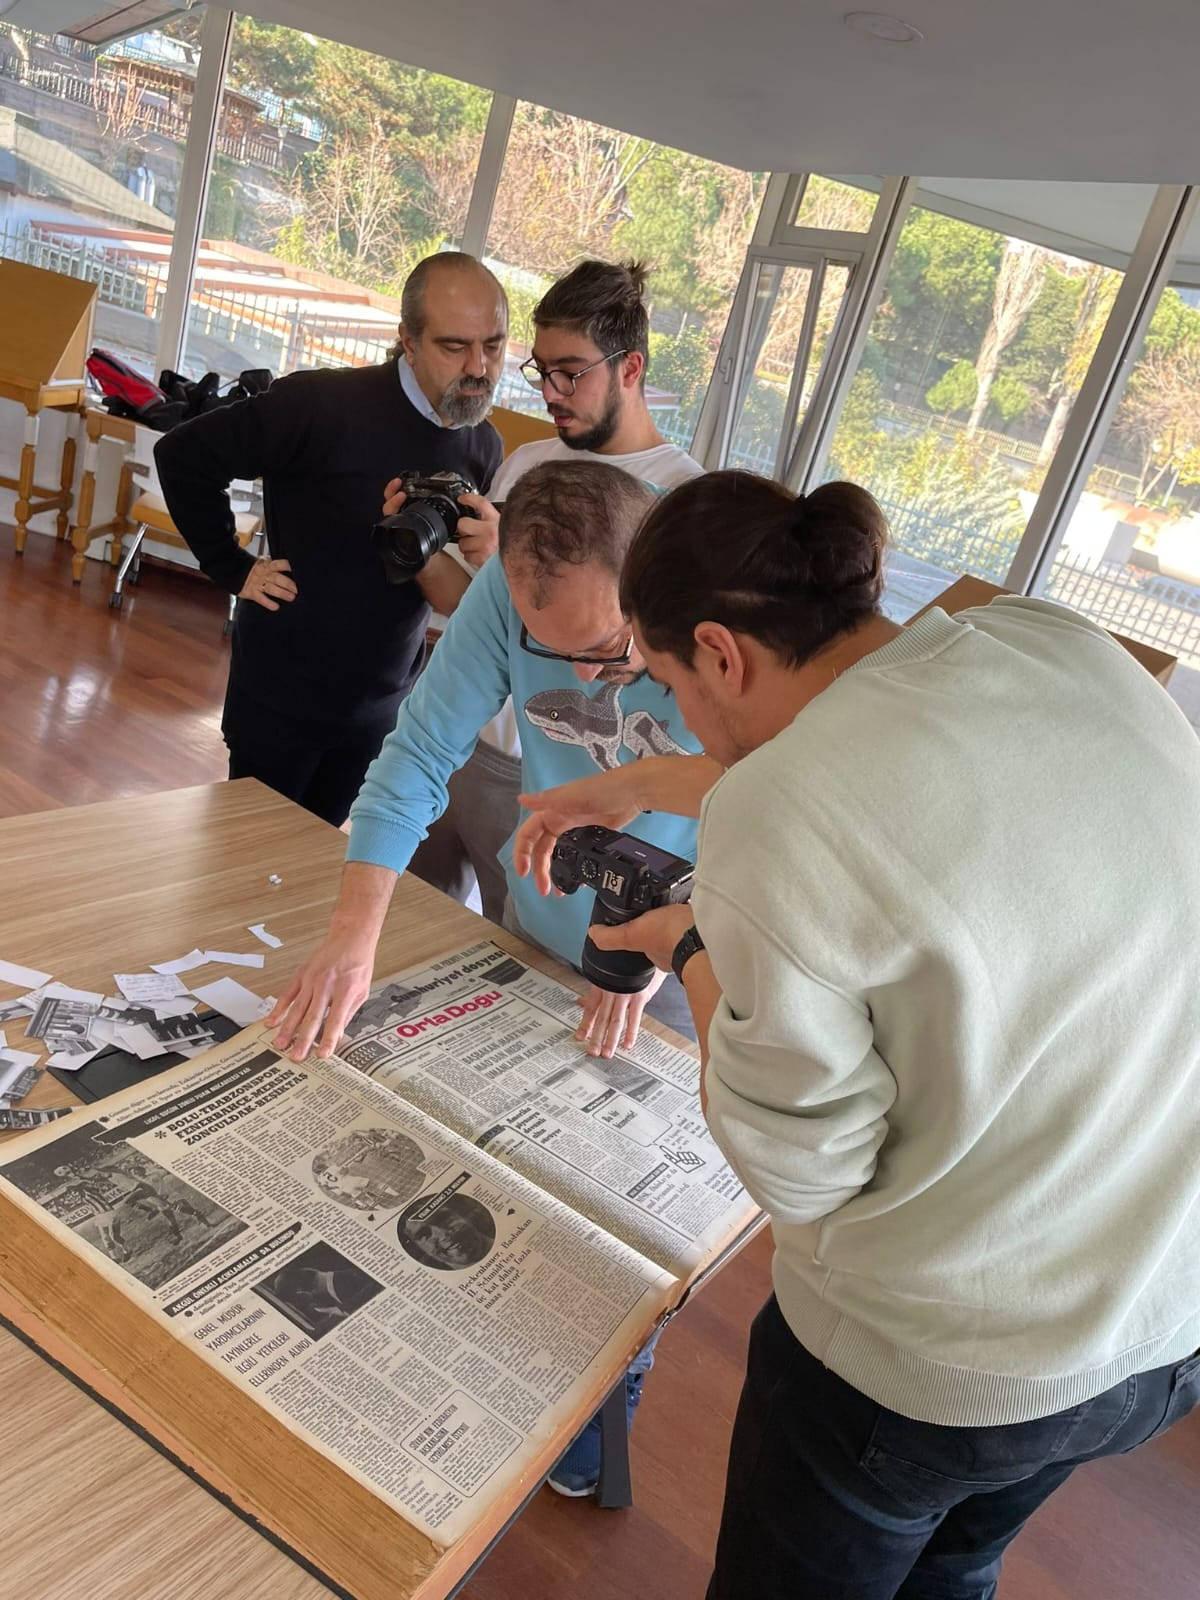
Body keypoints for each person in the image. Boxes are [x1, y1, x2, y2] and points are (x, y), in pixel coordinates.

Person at [516, 470, 1200, 1599]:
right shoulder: (1045, 639)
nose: (683, 718)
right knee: (957, 1568)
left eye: (671, 687)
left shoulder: (775, 813)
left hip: (939, 1369)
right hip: (1161, 1322)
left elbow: (804, 1170)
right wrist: (639, 783)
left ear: (719, 653)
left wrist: (688, 941)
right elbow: (899, 778)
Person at [269, 458, 703, 1496]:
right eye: (558, 655)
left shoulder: (713, 611)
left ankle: (610, 1404)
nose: (591, 679)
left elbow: (776, 812)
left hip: (687, 950)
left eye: (610, 651)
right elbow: (418, 753)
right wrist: (353, 934)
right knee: (503, 1179)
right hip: (544, 920)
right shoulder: (508, 597)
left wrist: (657, 942)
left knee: (626, 1214)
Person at [155, 252, 508, 827]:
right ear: (409, 341)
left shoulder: (484, 446)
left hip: (381, 707)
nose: (479, 366)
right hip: (281, 697)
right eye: (454, 346)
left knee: (316, 861)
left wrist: (486, 557)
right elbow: (183, 455)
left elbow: (445, 586)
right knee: (247, 859)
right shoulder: (319, 404)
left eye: (493, 345)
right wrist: (231, 566)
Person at [396, 258, 702, 920]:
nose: (551, 392)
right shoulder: (529, 464)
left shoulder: (683, 501)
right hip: (466, 737)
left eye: (571, 372)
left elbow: (654, 673)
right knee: (418, 913)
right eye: (541, 370)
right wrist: (417, 548)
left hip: (556, 766)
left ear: (630, 369)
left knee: (520, 929)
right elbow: (473, 616)